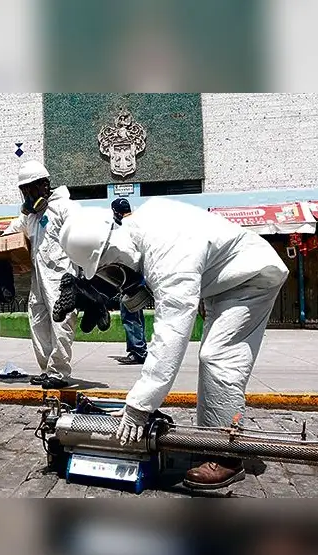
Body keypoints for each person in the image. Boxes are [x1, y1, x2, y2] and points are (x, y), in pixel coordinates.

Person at [59, 198, 289, 490]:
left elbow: (171, 333)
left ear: (115, 250)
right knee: (213, 355)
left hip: (252, 276)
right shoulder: (140, 227)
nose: (113, 276)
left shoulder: (169, 252)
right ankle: (211, 440)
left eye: (110, 269)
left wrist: (139, 405)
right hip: (221, 281)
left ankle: (228, 456)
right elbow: (146, 272)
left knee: (218, 356)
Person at [3, 161, 80, 390]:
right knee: (37, 322)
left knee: (61, 323)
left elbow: (81, 238)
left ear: (44, 186)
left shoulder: (66, 208)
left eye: (31, 189)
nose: (27, 194)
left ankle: (60, 372)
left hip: (62, 279)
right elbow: (13, 231)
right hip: (39, 278)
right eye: (24, 190)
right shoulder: (31, 216)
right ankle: (47, 370)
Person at [111, 198, 147, 365]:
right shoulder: (138, 224)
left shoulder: (125, 228)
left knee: (130, 316)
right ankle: (138, 349)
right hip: (140, 279)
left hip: (131, 280)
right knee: (136, 316)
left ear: (116, 212)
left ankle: (138, 352)